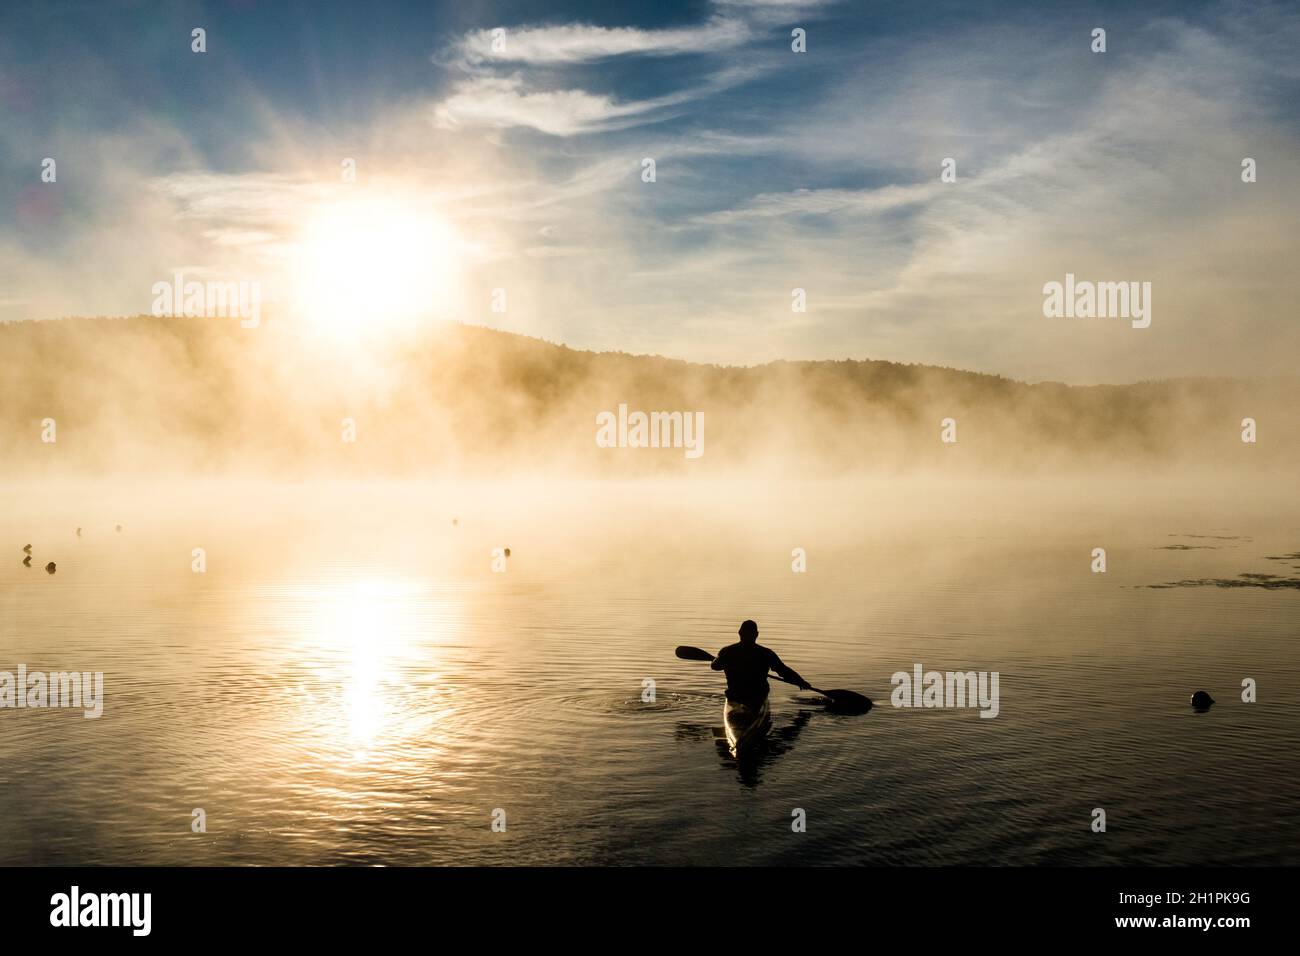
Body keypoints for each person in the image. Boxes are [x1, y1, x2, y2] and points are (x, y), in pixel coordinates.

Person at [712, 620, 810, 704]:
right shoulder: (766, 653)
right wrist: (800, 681)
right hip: (758, 696)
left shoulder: (727, 651)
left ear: (739, 633)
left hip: (735, 695)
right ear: (756, 634)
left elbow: (715, 667)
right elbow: (783, 671)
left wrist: (718, 659)